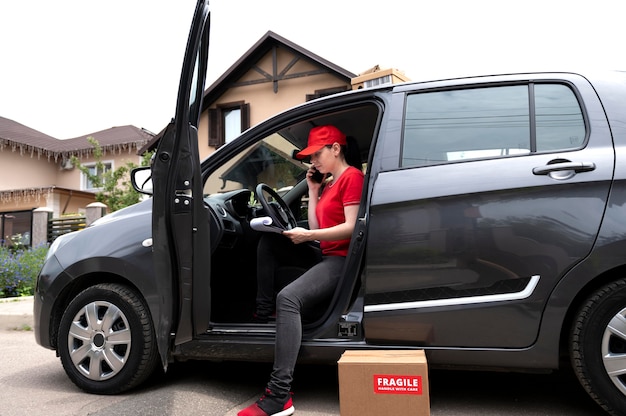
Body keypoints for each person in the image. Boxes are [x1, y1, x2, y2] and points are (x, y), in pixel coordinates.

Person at [239, 125, 365, 416]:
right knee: (269, 243)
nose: (313, 162)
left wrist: (307, 237)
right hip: (325, 253)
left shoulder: (352, 178)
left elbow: (351, 228)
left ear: (336, 148)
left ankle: (278, 396)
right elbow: (318, 227)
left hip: (341, 261)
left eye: (317, 154)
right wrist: (313, 190)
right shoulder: (331, 182)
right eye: (310, 157)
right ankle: (263, 311)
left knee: (289, 298)